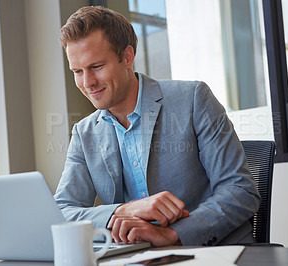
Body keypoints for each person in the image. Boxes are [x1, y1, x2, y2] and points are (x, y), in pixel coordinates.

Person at [54, 5, 260, 247]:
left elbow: (240, 190)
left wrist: (173, 234)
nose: (87, 82)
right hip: (135, 257)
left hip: (213, 252)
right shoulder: (84, 133)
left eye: (96, 67)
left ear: (127, 57)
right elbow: (61, 212)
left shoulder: (194, 99)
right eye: (77, 71)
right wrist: (125, 210)